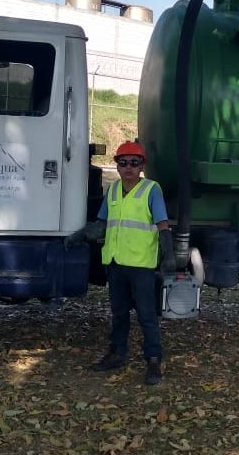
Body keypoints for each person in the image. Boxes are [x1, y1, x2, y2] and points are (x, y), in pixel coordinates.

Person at [66, 140, 173, 385]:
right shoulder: (113, 190)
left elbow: (163, 225)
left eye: (134, 163)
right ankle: (117, 353)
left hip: (141, 265)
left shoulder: (151, 190)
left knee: (147, 314)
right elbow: (102, 223)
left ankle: (154, 360)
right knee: (119, 313)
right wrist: (80, 235)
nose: (128, 168)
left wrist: (168, 255)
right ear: (117, 165)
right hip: (115, 263)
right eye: (123, 162)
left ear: (142, 166)